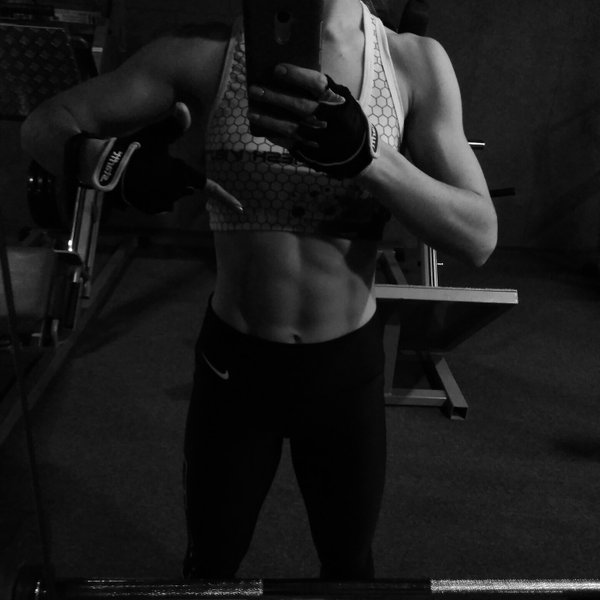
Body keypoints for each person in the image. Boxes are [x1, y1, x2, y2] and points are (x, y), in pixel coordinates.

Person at [21, 0, 497, 581]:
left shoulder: (410, 63)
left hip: (344, 371)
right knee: (210, 565)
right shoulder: (206, 54)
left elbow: (479, 236)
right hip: (236, 368)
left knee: (349, 568)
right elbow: (43, 125)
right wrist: (114, 162)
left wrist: (367, 157)